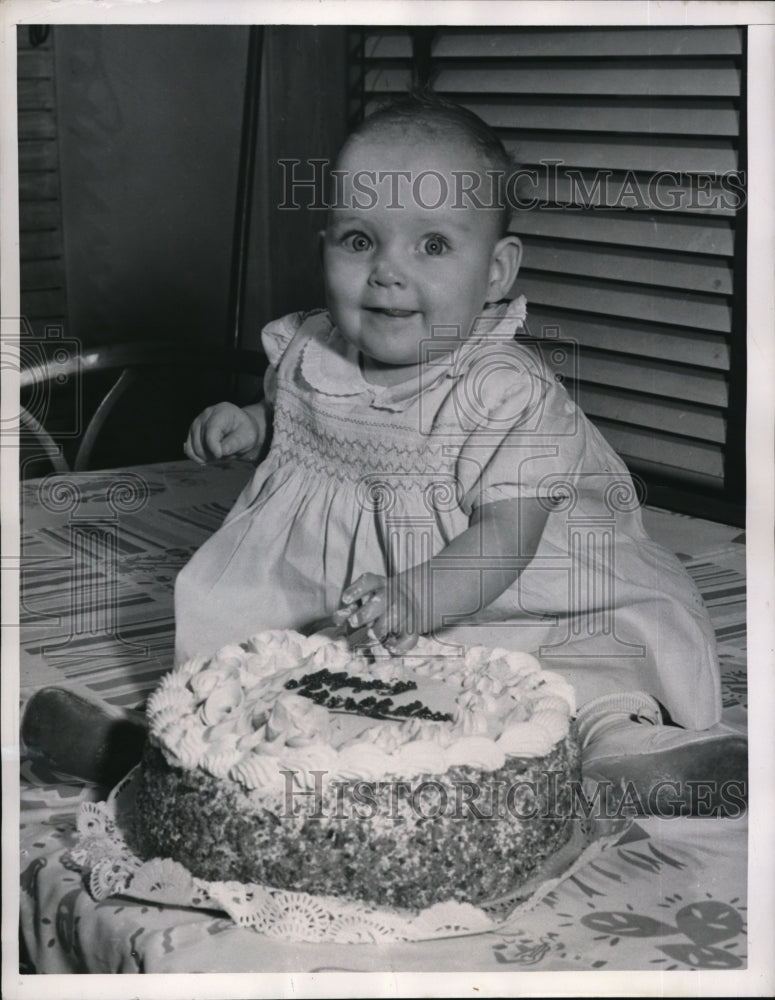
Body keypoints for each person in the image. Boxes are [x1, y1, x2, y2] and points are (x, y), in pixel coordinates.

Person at [178, 93, 745, 804]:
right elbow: (306, 410)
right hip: (347, 595)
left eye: (433, 245)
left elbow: (507, 537)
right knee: (255, 657)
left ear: (497, 271)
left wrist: (417, 597)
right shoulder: (308, 351)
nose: (387, 270)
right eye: (359, 239)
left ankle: (618, 750)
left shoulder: (504, 391)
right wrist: (255, 423)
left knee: (570, 660)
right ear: (323, 243)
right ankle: (190, 747)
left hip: (497, 593)